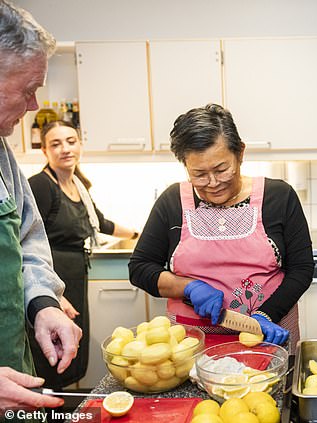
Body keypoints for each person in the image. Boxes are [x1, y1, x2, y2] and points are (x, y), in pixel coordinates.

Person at [129, 104, 313, 350]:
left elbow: (301, 269)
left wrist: (267, 315)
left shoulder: (279, 196)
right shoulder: (172, 201)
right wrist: (188, 287)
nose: (213, 183)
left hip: (267, 335)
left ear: (241, 154)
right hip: (191, 342)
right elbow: (140, 268)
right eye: (199, 174)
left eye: (221, 169)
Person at [0, 0, 82, 411]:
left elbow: (27, 239)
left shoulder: (1, 153)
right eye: (28, 89)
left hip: (14, 364)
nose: (34, 107)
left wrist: (42, 304)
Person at [27, 120, 138, 390]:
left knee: (71, 343)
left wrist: (137, 235)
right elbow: (27, 242)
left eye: (70, 141)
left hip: (74, 275)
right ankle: (47, 409)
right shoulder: (41, 185)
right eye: (55, 144)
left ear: (80, 145)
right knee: (50, 349)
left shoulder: (78, 184)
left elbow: (100, 223)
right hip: (51, 279)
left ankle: (61, 406)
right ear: (44, 151)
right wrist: (53, 293)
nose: (65, 149)